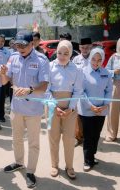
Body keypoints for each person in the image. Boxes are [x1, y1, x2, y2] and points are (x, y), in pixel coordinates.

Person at [0, 30, 49, 188]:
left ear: (32, 44)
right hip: (17, 108)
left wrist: (30, 89)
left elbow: (44, 84)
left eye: (24, 45)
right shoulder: (13, 57)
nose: (20, 48)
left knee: (33, 143)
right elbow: (4, 81)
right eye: (18, 45)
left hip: (34, 109)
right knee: (17, 139)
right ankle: (19, 162)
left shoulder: (41, 60)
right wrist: (2, 74)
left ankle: (30, 171)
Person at [47, 40, 83, 180]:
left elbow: (78, 91)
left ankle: (70, 166)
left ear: (71, 54)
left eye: (66, 53)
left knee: (69, 138)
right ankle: (54, 165)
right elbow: (46, 89)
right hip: (52, 106)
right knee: (53, 137)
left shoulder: (77, 69)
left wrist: (71, 108)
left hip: (70, 108)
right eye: (59, 53)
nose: (62, 56)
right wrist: (53, 106)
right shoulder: (49, 67)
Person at [77, 48, 113, 172]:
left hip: (101, 110)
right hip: (87, 110)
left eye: (99, 60)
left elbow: (109, 90)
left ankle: (92, 156)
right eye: (93, 59)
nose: (95, 62)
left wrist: (105, 104)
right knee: (88, 136)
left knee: (96, 135)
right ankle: (87, 160)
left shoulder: (106, 73)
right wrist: (90, 106)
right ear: (90, 58)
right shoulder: (82, 72)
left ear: (102, 60)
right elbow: (81, 92)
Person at [72, 37, 92, 147]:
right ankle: (78, 137)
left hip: (90, 90)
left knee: (88, 113)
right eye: (83, 47)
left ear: (91, 47)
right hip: (78, 89)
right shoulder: (75, 59)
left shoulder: (94, 58)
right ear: (79, 48)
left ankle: (88, 136)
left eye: (87, 47)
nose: (85, 49)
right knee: (77, 114)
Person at [0, 34, 11, 123]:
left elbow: (9, 64)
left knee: (2, 98)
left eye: (2, 41)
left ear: (4, 42)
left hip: (3, 78)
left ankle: (1, 115)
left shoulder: (7, 52)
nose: (0, 42)